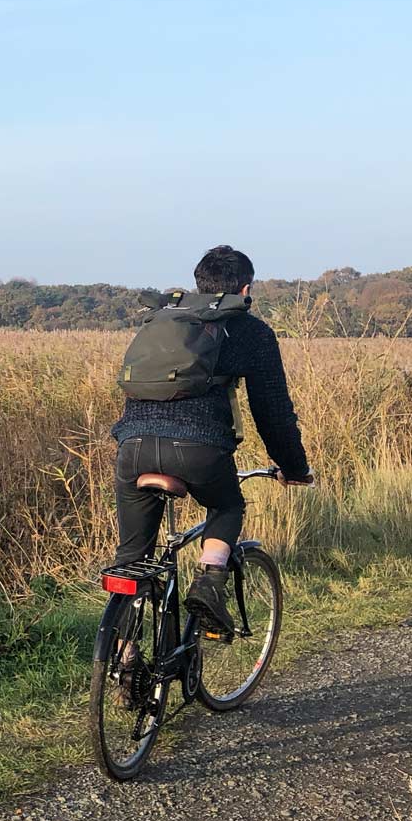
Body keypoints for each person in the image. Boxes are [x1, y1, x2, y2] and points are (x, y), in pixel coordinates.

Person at [111, 245, 313, 639]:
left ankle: (125, 656)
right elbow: (274, 414)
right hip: (199, 450)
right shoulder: (250, 331)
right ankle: (209, 583)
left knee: (131, 561)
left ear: (199, 284)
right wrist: (293, 468)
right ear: (247, 289)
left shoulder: (163, 322)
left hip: (132, 446)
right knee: (227, 504)